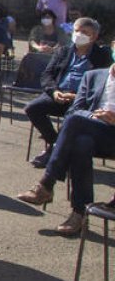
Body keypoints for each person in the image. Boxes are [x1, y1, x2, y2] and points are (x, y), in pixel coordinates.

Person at [16, 54, 115, 236]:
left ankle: (47, 183)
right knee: (81, 143)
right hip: (91, 131)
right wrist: (93, 117)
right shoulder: (93, 76)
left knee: (76, 124)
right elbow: (74, 109)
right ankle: (80, 213)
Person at [24, 18, 112, 168]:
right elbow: (47, 75)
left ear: (94, 36)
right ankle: (56, 143)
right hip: (58, 94)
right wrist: (54, 91)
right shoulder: (64, 51)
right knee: (32, 108)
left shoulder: (102, 55)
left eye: (84, 32)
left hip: (83, 100)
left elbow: (105, 84)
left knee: (72, 119)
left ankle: (55, 151)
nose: (79, 35)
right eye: (76, 31)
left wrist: (78, 96)